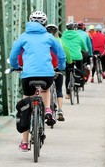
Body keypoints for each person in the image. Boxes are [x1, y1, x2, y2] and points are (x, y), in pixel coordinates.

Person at [9, 11, 66, 152]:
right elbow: (60, 53)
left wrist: (16, 66)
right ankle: (47, 109)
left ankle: (24, 142)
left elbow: (13, 55)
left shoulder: (23, 37)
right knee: (45, 89)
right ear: (44, 24)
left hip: (28, 75)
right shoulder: (49, 37)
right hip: (47, 74)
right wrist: (61, 66)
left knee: (27, 102)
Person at [45, 24, 72, 121]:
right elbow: (66, 54)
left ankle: (45, 109)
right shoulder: (60, 41)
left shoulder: (43, 40)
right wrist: (67, 64)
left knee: (44, 90)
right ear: (56, 32)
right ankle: (60, 110)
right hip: (57, 69)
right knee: (59, 90)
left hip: (46, 69)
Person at [61, 21, 87, 99]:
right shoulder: (78, 35)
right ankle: (79, 82)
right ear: (74, 28)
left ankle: (68, 94)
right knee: (79, 69)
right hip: (77, 56)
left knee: (68, 75)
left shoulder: (63, 36)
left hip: (67, 57)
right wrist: (84, 50)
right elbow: (84, 47)